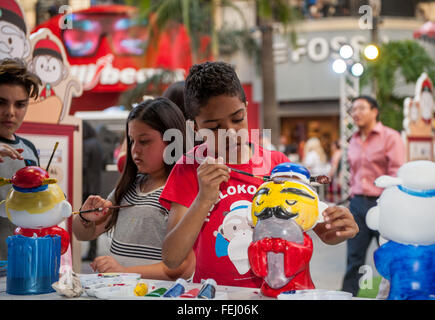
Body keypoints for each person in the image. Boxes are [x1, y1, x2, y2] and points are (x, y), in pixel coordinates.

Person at [159, 61, 359, 288]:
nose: (230, 133)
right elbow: (172, 258)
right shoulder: (189, 168)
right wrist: (204, 198)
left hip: (281, 291)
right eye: (214, 127)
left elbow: (323, 232)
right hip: (218, 294)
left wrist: (340, 228)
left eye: (237, 118)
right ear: (194, 127)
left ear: (245, 107)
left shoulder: (277, 165)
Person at [72, 98, 194, 280]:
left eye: (144, 141)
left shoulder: (183, 190)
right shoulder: (129, 187)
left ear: (172, 141)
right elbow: (82, 234)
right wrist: (85, 217)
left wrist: (122, 272)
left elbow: (182, 268)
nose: (135, 150)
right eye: (131, 141)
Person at [341, 95, 406, 296]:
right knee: (354, 258)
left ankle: (398, 293)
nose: (356, 113)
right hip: (358, 203)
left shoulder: (391, 137)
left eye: (361, 108)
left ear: (374, 111)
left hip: (384, 204)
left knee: (391, 255)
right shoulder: (353, 140)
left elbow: (398, 172)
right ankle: (348, 295)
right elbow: (354, 172)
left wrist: (391, 203)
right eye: (353, 109)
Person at [0, 58, 41, 261]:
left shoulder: (29, 150)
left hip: (21, 260)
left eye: (20, 104)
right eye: (1, 102)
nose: (10, 112)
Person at [82, 121, 104, 261]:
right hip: (97, 186)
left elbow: (83, 166)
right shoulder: (97, 144)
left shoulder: (86, 145)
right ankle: (93, 251)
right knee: (95, 220)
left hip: (86, 188)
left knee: (87, 220)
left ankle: (90, 252)